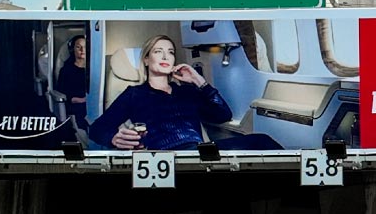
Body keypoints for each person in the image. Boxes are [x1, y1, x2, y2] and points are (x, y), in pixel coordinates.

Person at [88, 35, 278, 151]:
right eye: (158, 51)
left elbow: (223, 115)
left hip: (200, 152)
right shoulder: (134, 94)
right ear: (146, 59)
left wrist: (199, 81)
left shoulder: (186, 91)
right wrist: (113, 137)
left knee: (262, 140)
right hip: (165, 155)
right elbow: (97, 129)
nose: (165, 56)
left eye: (170, 52)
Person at [53, 34, 91, 131]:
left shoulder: (93, 68)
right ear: (72, 49)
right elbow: (62, 92)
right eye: (78, 47)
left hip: (92, 102)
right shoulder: (66, 70)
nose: (82, 50)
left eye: (85, 47)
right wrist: (80, 100)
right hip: (76, 104)